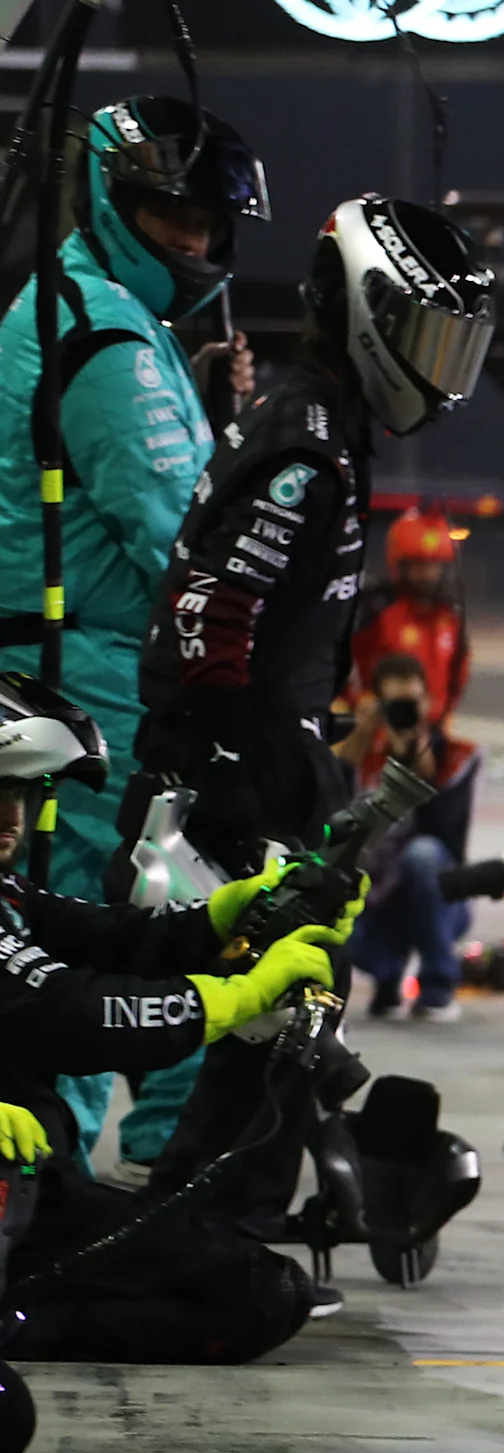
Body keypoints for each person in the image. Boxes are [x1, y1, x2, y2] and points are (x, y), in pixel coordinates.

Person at [130, 194, 495, 1222]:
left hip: (266, 758)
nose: (435, 365)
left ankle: (212, 1233)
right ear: (360, 311)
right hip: (241, 775)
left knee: (275, 1031)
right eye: (423, 333)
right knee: (279, 1022)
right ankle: (207, 1239)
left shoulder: (323, 423)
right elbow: (211, 614)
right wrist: (240, 779)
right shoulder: (306, 444)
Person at [0, 98, 266, 1169]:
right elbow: (179, 534)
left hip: (58, 676)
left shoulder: (88, 308)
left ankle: (54, 1187)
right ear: (112, 198)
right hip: (88, 684)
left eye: (207, 222)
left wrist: (197, 394)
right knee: (132, 937)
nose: (194, 242)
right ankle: (147, 1188)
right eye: (171, 215)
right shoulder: (106, 332)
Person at [0, 674, 327, 1359]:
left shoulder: (7, 891)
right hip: (16, 1187)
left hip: (34, 1190)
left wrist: (227, 912)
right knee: (251, 1295)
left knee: (261, 1290)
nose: (11, 818)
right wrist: (240, 997)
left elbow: (104, 934)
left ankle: (22, 1312)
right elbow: (74, 1014)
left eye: (21, 794)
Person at [341, 651, 477, 1019]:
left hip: (437, 898)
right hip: (374, 898)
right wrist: (362, 734)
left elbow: (445, 835)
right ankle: (386, 976)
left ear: (429, 704)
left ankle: (437, 985)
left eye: (411, 703)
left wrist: (415, 756)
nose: (403, 712)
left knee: (423, 854)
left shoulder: (453, 756)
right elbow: (330, 808)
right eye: (394, 704)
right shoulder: (360, 751)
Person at [351, 507, 470, 729]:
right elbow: (349, 666)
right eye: (419, 565)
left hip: (433, 730)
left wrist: (443, 712)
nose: (428, 575)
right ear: (401, 566)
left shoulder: (450, 617)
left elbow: (459, 670)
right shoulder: (377, 612)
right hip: (379, 730)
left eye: (434, 565)